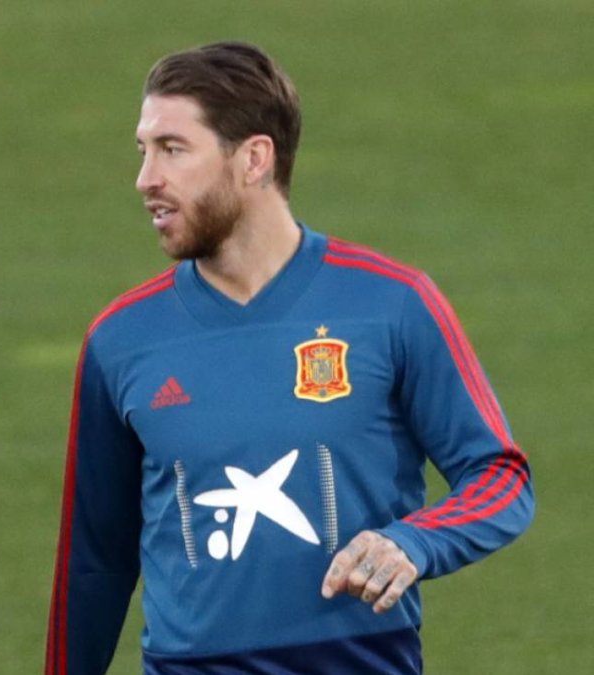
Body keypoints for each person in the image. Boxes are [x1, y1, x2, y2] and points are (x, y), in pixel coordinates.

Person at [45, 42, 533, 674]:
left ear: (254, 159)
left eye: (172, 149)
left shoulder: (391, 305)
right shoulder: (121, 339)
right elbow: (94, 562)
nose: (146, 179)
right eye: (143, 150)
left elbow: (500, 477)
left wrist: (414, 541)